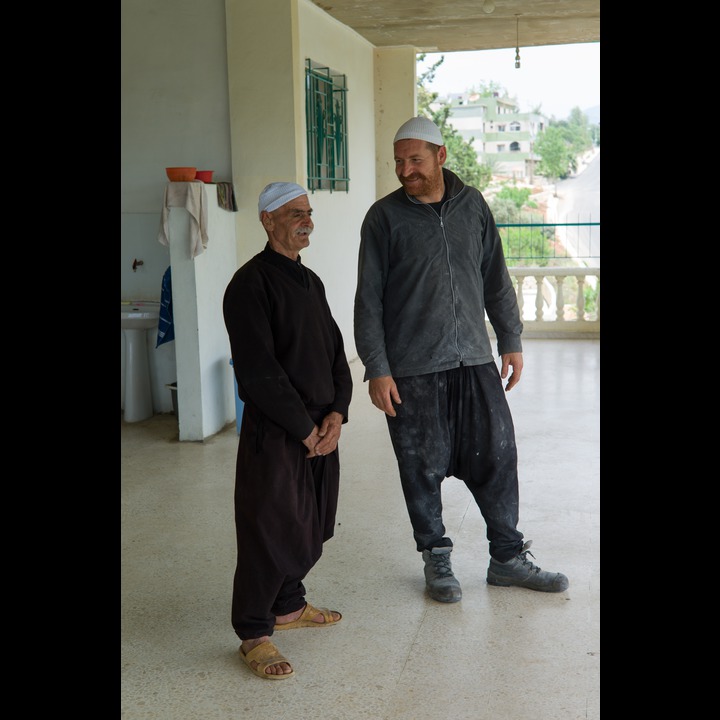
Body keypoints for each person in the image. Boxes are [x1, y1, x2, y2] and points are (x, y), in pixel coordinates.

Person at [353, 116, 568, 604]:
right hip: (412, 367)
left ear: (441, 156)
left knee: (498, 456)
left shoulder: (473, 206)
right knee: (420, 467)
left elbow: (496, 276)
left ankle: (507, 559)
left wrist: (510, 337)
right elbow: (369, 299)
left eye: (415, 160)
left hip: (474, 358)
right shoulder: (383, 218)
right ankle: (436, 557)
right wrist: (377, 367)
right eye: (399, 161)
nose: (405, 169)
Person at [223, 182, 353, 679]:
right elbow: (257, 371)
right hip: (279, 435)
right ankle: (255, 631)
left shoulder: (310, 281)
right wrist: (304, 429)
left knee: (313, 525)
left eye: (309, 212)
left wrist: (336, 414)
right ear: (267, 221)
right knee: (269, 530)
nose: (307, 221)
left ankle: (289, 606)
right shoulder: (249, 285)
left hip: (322, 431)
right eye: (294, 213)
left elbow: (335, 352)